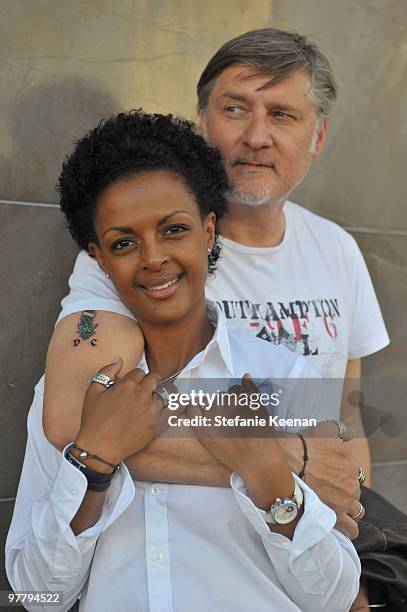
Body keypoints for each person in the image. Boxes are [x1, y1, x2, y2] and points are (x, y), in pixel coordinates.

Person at [42, 28, 388, 543]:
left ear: (317, 137)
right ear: (202, 120)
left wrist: (346, 530)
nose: (256, 136)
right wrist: (290, 462)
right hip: (181, 561)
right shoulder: (137, 257)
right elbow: (79, 420)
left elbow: (345, 416)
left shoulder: (336, 248)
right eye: (234, 109)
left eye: (282, 115)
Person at [6, 111, 360, 611]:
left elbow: (334, 596)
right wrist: (92, 463)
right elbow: (37, 594)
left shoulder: (289, 376)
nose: (153, 257)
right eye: (124, 242)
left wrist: (270, 477)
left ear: (209, 230)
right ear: (100, 259)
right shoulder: (66, 395)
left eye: (173, 230)